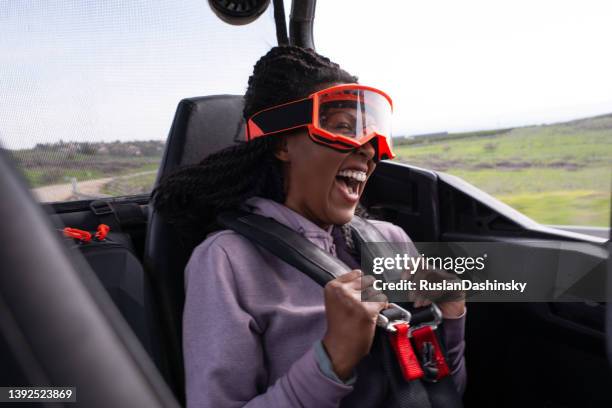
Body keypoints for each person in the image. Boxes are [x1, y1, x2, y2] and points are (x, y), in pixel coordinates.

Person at [152, 45, 466, 408]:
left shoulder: (390, 240)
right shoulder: (225, 261)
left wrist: (451, 315)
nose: (366, 148)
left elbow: (443, 391)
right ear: (283, 143)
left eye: (371, 132)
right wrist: (332, 358)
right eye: (344, 128)